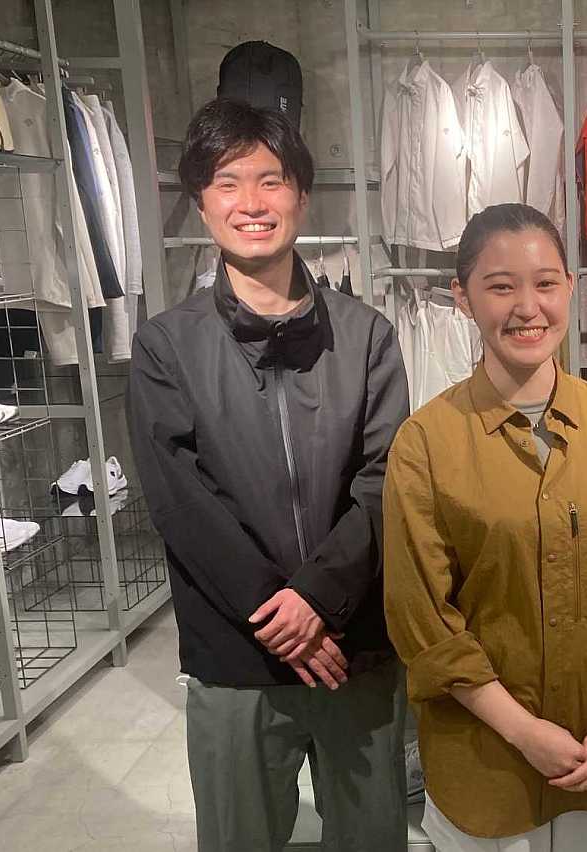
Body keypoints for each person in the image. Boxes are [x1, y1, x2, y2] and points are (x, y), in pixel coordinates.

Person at [127, 98, 410, 852]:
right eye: (227, 183)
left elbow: (386, 478)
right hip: (235, 652)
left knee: (372, 837)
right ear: (201, 204)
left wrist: (318, 598)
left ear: (301, 196)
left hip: (353, 645)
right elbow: (180, 500)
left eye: (270, 180)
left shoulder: (367, 336)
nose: (250, 202)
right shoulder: (166, 346)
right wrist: (277, 614)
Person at [383, 203, 587, 852]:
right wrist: (524, 732)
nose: (528, 307)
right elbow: (424, 622)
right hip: (488, 771)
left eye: (546, 283)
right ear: (462, 297)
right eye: (501, 286)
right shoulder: (426, 443)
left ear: (569, 288)